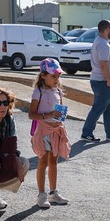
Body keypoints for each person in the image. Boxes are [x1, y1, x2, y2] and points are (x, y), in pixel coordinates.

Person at [29, 58, 71, 209]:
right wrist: (48, 115)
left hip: (55, 131)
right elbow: (31, 114)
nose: (57, 79)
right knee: (42, 162)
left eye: (58, 76)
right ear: (43, 76)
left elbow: (59, 111)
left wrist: (60, 117)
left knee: (53, 162)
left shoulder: (58, 91)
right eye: (53, 76)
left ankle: (53, 192)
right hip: (43, 131)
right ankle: (41, 195)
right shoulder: (38, 92)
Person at [80, 20, 110, 143]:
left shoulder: (101, 42)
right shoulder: (103, 44)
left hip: (105, 82)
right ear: (106, 29)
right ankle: (86, 133)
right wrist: (109, 80)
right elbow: (103, 64)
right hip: (103, 82)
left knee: (109, 109)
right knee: (98, 108)